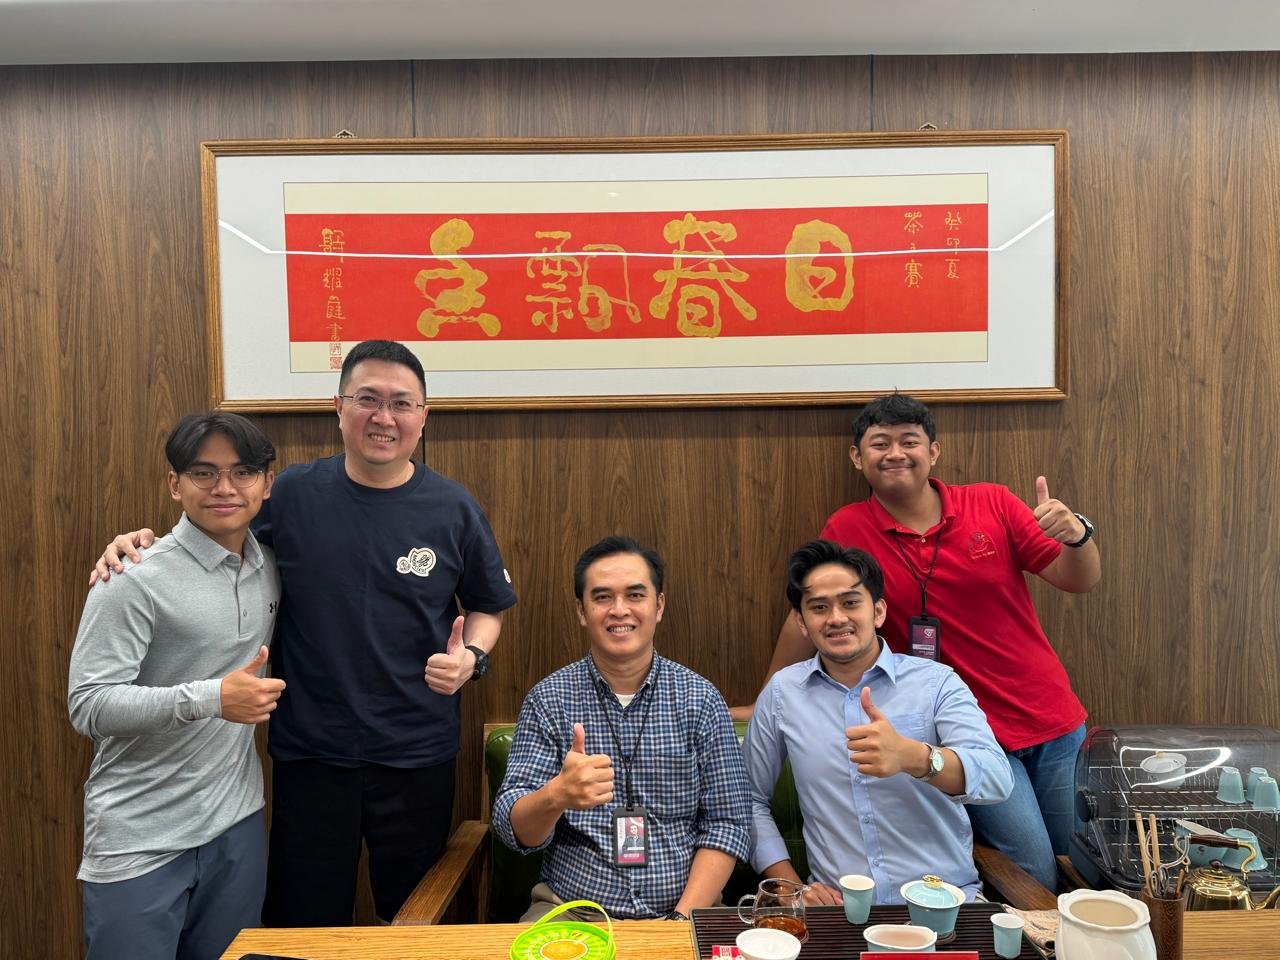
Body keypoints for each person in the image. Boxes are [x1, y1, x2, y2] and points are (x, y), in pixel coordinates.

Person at [92, 340, 518, 925]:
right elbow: (217, 537)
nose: (384, 417)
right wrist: (142, 544)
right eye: (367, 399)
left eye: (401, 403)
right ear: (338, 407)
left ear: (424, 416)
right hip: (311, 751)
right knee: (304, 923)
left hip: (417, 753)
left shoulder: (453, 507)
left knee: (417, 920)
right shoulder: (290, 494)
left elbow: (489, 605)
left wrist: (472, 656)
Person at [740, 393, 1100, 891]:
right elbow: (815, 606)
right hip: (957, 730)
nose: (895, 453)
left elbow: (1077, 579)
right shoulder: (849, 527)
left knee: (1080, 868)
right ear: (857, 457)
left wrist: (1078, 537)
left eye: (909, 441)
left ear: (934, 451)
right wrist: (768, 696)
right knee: (1033, 872)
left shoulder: (992, 502)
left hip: (1046, 713)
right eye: (879, 443)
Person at [69, 412, 284, 960]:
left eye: (242, 473)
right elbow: (89, 704)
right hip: (140, 835)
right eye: (204, 473)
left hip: (236, 824)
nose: (224, 488)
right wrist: (211, 698)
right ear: (175, 484)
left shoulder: (269, 566)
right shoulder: (132, 576)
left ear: (267, 483)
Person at [492, 536, 750, 921]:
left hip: (686, 911)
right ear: (581, 611)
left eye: (635, 595)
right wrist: (556, 795)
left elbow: (728, 824)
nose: (619, 610)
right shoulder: (549, 700)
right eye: (602, 597)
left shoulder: (700, 699)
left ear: (658, 606)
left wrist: (680, 920)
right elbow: (514, 830)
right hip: (572, 911)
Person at [744, 540, 1012, 905]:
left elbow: (997, 778)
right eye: (819, 607)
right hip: (840, 911)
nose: (836, 618)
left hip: (943, 905)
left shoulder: (935, 682)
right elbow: (748, 799)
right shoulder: (783, 694)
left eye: (851, 602)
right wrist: (792, 889)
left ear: (879, 611)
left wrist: (914, 757)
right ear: (802, 623)